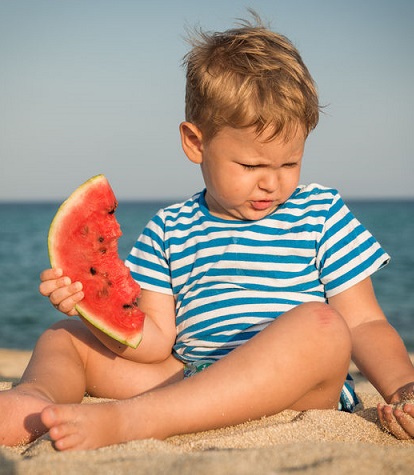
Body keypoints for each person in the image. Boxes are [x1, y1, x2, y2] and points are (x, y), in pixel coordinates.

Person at [1, 13, 414, 451]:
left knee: (323, 325)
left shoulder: (321, 213)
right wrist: (90, 306)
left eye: (289, 163)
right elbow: (156, 343)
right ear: (195, 143)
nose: (271, 182)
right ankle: (33, 404)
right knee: (65, 337)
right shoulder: (168, 228)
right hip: (192, 380)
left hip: (299, 388)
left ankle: (129, 421)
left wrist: (404, 388)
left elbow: (366, 321)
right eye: (251, 165)